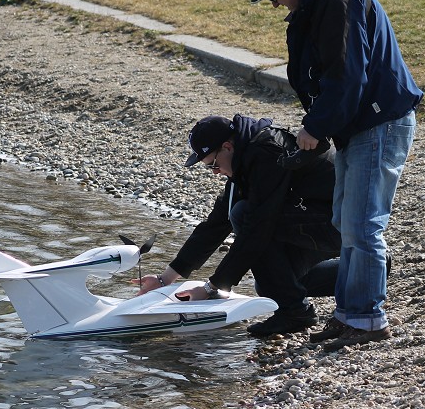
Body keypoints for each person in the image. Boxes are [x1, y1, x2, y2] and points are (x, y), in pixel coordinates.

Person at [250, 0, 423, 350]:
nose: (275, 5)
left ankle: (366, 319)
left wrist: (315, 127)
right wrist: (321, 123)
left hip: (378, 124)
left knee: (363, 224)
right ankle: (350, 313)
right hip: (359, 126)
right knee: (347, 222)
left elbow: (347, 75)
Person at [134, 114, 342, 336]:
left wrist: (212, 287)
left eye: (213, 164)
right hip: (311, 218)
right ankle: (361, 271)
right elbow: (215, 225)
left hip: (335, 223)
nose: (215, 172)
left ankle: (295, 313)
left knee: (245, 217)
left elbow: (258, 228)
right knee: (270, 286)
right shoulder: (245, 156)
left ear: (227, 146)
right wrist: (164, 279)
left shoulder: (265, 153)